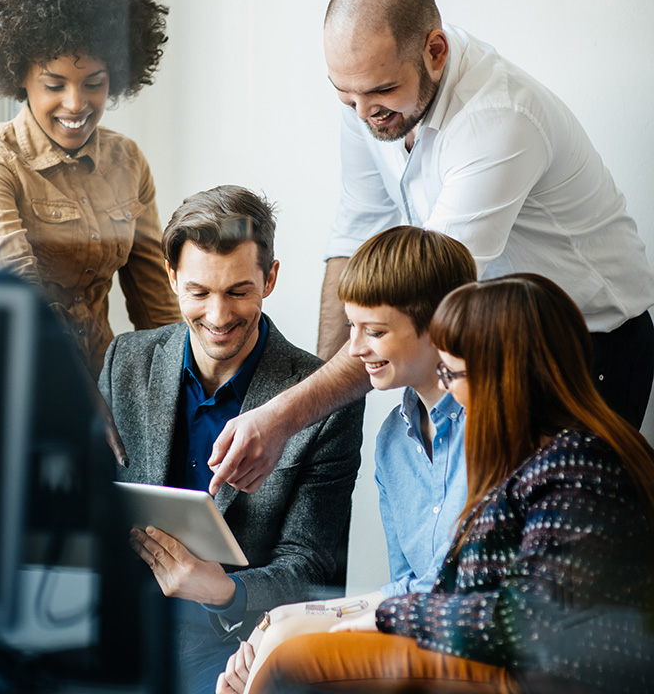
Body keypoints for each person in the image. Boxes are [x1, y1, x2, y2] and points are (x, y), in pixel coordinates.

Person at [205, 0, 654, 497]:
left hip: (587, 347)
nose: (365, 114)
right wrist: (313, 400)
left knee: (551, 547)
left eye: (381, 93)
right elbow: (356, 235)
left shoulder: (499, 119)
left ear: (435, 52)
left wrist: (284, 416)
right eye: (345, 96)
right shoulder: (367, 99)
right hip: (483, 342)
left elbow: (423, 300)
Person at [245, 274, 654, 694]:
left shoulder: (580, 464)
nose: (444, 388)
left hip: (548, 677)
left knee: (292, 665)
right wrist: (324, 614)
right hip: (500, 660)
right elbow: (445, 587)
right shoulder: (529, 461)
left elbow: (536, 620)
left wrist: (393, 616)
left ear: (506, 377)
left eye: (452, 374)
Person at [97, 186, 364, 694]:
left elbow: (312, 569)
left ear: (271, 277)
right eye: (198, 292)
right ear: (172, 277)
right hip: (120, 635)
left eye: (239, 292)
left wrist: (225, 591)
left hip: (240, 649)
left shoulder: (323, 402)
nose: (218, 317)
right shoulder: (125, 361)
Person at [216, 226, 477, 694]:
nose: (355, 350)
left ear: (440, 325)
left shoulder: (491, 428)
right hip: (416, 627)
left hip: (470, 633)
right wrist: (288, 617)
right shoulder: (393, 441)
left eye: (374, 332)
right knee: (272, 637)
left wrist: (305, 622)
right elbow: (405, 582)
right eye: (352, 327)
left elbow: (456, 586)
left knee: (287, 655)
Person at [0, 0, 181, 378]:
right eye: (54, 85)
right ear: (19, 75)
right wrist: (89, 408)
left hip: (107, 382)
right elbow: (24, 305)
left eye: (93, 83)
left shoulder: (127, 161)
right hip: (19, 384)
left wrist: (182, 399)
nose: (76, 104)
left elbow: (158, 308)